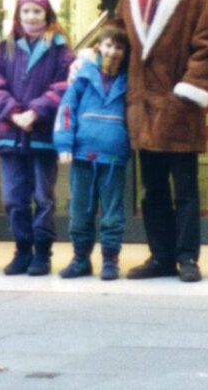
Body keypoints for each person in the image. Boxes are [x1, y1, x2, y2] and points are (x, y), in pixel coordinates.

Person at [112, 0, 208, 282]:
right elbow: (117, 42)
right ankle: (160, 257)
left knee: (186, 190)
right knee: (152, 191)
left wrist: (185, 92)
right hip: (144, 111)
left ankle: (187, 258)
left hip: (179, 111)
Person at [0, 0, 74, 277]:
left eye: (37, 11)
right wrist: (13, 112)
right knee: (13, 197)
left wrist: (36, 110)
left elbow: (64, 86)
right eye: (26, 11)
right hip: (11, 135)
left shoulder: (60, 50)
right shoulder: (3, 49)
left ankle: (42, 251)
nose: (32, 17)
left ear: (47, 15)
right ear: (18, 14)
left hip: (42, 135)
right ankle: (22, 247)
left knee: (43, 196)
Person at [54, 23, 132, 280]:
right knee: (79, 211)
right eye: (109, 45)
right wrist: (64, 143)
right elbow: (67, 109)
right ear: (99, 46)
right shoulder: (83, 75)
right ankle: (80, 258)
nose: (113, 52)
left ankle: (110, 259)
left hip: (113, 159)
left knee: (112, 213)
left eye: (119, 47)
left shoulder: (129, 81)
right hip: (82, 155)